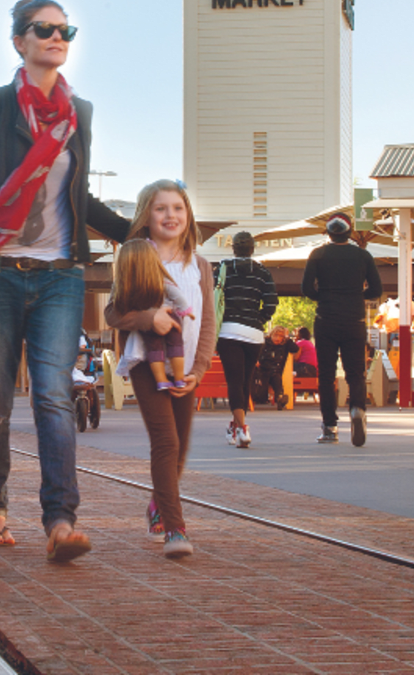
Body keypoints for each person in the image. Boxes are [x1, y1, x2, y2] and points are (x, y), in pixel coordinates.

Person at [0, 0, 130, 561]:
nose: (56, 36)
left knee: (53, 395)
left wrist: (141, 228)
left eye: (65, 29)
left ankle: (61, 520)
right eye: (44, 29)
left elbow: (80, 197)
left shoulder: (78, 114)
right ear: (19, 41)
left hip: (60, 277)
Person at [105, 180, 217, 559]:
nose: (170, 215)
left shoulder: (200, 264)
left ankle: (157, 504)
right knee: (166, 443)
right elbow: (113, 314)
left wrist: (199, 370)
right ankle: (175, 528)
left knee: (181, 448)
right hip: (146, 362)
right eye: (161, 208)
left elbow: (208, 323)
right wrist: (148, 318)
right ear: (145, 216)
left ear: (188, 216)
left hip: (185, 365)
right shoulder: (135, 255)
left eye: (178, 208)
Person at [301, 214, 384, 446]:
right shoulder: (363, 256)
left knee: (326, 376)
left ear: (329, 233)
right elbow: (376, 289)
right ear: (350, 232)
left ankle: (330, 427)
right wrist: (357, 295)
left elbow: (307, 288)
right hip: (354, 320)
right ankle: (357, 409)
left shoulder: (318, 254)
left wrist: (324, 296)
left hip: (326, 318)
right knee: (355, 372)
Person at [213, 230, 277, 447]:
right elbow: (271, 303)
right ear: (252, 249)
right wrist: (258, 319)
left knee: (234, 380)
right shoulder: (263, 273)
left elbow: (211, 295)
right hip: (253, 334)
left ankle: (241, 429)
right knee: (245, 380)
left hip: (228, 331)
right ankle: (235, 426)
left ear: (234, 249)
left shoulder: (223, 269)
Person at [112, 239, 193, 390]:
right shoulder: (162, 281)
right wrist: (186, 311)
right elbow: (178, 296)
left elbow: (116, 311)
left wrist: (143, 317)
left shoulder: (125, 290)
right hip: (170, 316)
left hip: (144, 332)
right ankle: (179, 377)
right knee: (175, 344)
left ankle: (161, 380)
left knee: (154, 349)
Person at [252, 326, 297, 410]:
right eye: (276, 335)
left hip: (276, 370)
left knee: (277, 379)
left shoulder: (285, 344)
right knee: (261, 394)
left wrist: (287, 338)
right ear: (271, 335)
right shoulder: (264, 343)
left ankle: (280, 398)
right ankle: (276, 398)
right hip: (262, 370)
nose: (278, 338)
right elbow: (255, 352)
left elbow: (295, 349)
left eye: (281, 336)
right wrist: (256, 360)